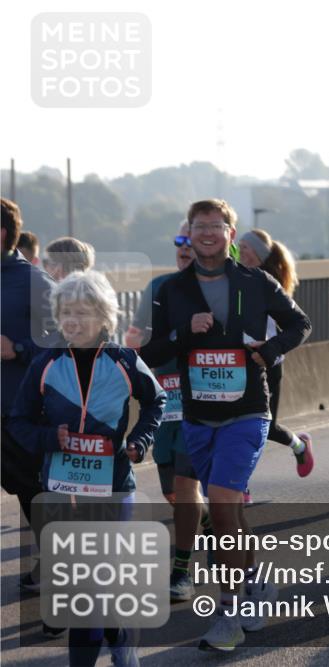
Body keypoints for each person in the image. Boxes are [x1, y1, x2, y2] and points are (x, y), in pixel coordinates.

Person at [141, 198, 311, 651]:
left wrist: (269, 351)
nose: (207, 233)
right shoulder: (173, 289)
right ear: (189, 232)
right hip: (198, 417)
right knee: (229, 513)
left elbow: (299, 324)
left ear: (230, 235)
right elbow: (151, 353)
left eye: (216, 226)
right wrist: (183, 333)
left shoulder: (256, 282)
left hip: (248, 412)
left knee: (219, 505)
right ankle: (256, 584)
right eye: (199, 226)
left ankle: (228, 615)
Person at [8, 269, 165, 667]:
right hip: (61, 492)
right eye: (66, 312)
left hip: (113, 488)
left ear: (102, 315)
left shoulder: (124, 361)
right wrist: (49, 438)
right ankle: (121, 637)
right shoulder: (45, 363)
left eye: (81, 312)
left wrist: (139, 441)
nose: (72, 321)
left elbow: (156, 401)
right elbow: (18, 421)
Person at [124, 221, 210, 602]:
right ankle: (212, 522)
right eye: (179, 241)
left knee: (186, 487)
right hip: (164, 401)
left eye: (191, 241)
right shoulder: (158, 288)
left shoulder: (217, 290)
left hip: (200, 403)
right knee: (173, 492)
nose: (184, 247)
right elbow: (137, 339)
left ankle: (181, 572)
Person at [1, 198, 56, 592]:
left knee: (31, 492)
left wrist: (17, 349)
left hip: (17, 411)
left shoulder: (35, 282)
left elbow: (66, 343)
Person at [238, 228, 315, 476]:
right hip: (239, 362)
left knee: (265, 426)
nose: (239, 250)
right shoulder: (233, 278)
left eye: (245, 246)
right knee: (236, 426)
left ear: (258, 254)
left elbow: (299, 323)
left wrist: (270, 348)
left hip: (268, 361)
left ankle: (300, 446)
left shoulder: (267, 283)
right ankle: (239, 484)